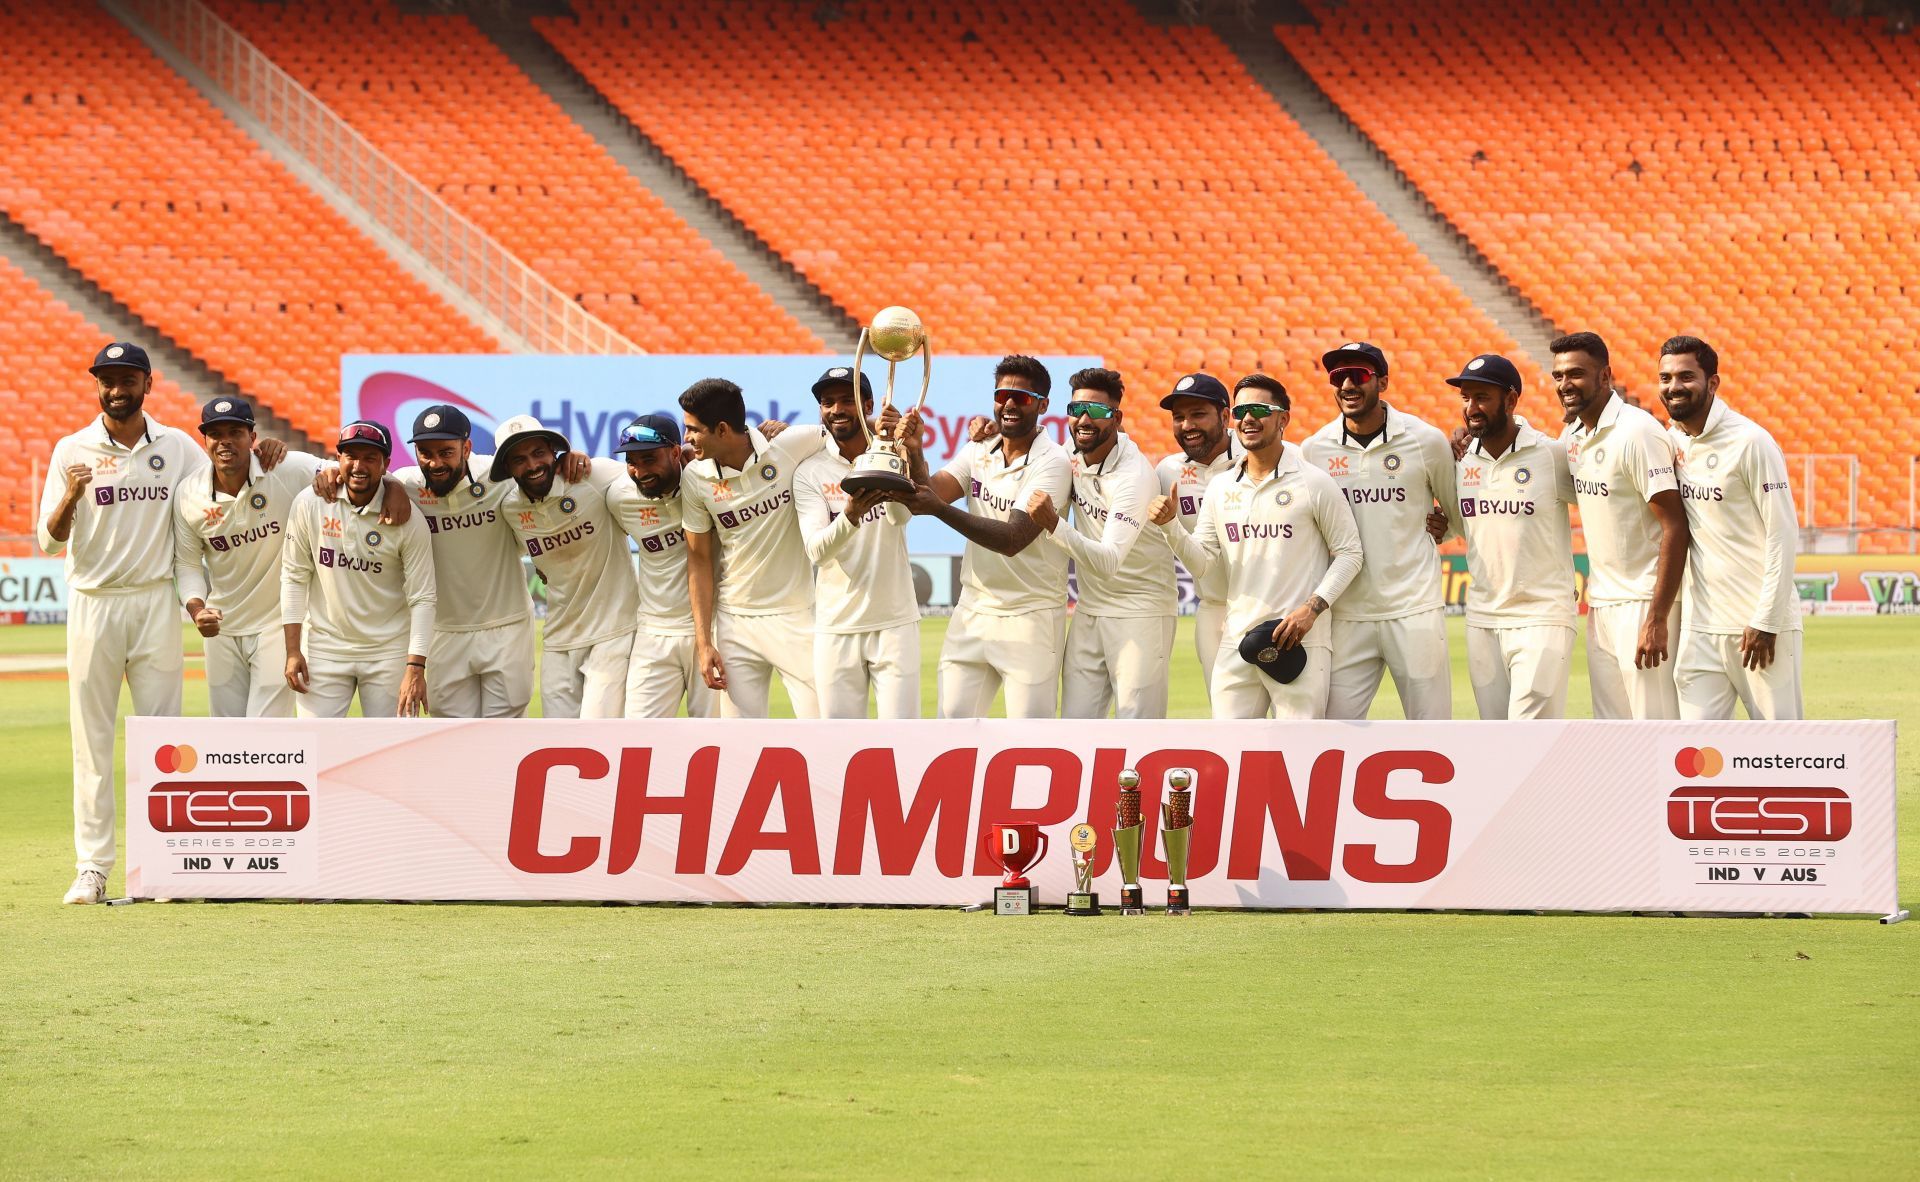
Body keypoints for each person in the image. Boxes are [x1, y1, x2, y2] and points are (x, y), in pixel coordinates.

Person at [40, 343, 252, 904]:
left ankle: (164, 865)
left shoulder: (179, 446)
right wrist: (71, 494)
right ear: (97, 386)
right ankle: (92, 866)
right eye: (106, 380)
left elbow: (228, 472)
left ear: (148, 383)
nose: (116, 389)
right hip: (94, 601)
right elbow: (49, 537)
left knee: (165, 739)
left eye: (126, 378)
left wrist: (272, 450)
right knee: (93, 740)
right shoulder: (72, 449)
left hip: (157, 601)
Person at [1149, 374, 1363, 719]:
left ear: (1283, 419)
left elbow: (1350, 553)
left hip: (1299, 640)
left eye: (1260, 409)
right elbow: (1203, 562)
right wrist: (1170, 527)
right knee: (1231, 752)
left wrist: (1312, 609)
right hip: (1236, 639)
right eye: (1242, 410)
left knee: (1299, 755)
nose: (1248, 418)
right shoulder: (1220, 487)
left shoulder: (1313, 482)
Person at [898, 355, 1073, 718]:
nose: (1008, 403)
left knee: (1030, 741)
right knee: (952, 732)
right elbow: (929, 491)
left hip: (1031, 615)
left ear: (1042, 405)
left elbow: (1013, 539)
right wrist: (915, 451)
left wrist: (938, 509)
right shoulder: (979, 448)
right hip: (973, 610)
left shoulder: (1052, 462)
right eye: (1002, 394)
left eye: (1021, 398)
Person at [1301, 341, 1461, 721]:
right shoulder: (1314, 449)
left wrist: (1442, 528)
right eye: (1338, 377)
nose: (1347, 386)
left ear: (1383, 382)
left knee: (1432, 731)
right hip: (1346, 614)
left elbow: (1457, 514)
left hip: (1413, 609)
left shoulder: (1425, 440)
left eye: (1358, 375)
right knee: (1333, 736)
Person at [1659, 336, 1803, 719]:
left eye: (1686, 376)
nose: (1674, 387)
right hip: (1700, 630)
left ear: (1713, 383)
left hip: (1758, 628)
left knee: (1780, 750)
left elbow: (1783, 533)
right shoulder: (1669, 440)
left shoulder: (1751, 442)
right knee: (1693, 756)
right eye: (1666, 377)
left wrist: (1767, 620)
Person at [1026, 367, 1176, 718]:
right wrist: (987, 436)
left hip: (1141, 611)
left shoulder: (1134, 475)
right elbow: (1035, 448)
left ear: (1117, 418)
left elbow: (1109, 561)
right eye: (1077, 410)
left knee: (1138, 731)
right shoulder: (1073, 452)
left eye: (1096, 411)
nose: (1083, 420)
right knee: (1076, 730)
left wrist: (1053, 524)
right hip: (1090, 610)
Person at [1553, 332, 1689, 719]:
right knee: (1611, 730)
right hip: (1602, 603)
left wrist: (1657, 618)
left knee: (1655, 724)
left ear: (1604, 376)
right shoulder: (1574, 434)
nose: (1565, 384)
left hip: (1644, 602)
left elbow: (1675, 526)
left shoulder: (1637, 432)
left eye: (1576, 373)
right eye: (1558, 375)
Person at [679, 378, 829, 718]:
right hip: (735, 624)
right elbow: (699, 560)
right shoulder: (695, 478)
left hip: (797, 617)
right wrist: (704, 643)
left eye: (693, 430)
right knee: (739, 746)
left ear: (721, 429)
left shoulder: (791, 444)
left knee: (823, 733)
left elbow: (853, 439)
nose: (687, 439)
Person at [173, 397, 327, 718]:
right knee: (228, 738)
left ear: (252, 437)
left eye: (235, 432)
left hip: (277, 626)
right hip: (222, 631)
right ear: (205, 440)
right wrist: (197, 608)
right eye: (215, 434)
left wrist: (394, 488)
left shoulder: (286, 468)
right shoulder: (189, 494)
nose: (225, 441)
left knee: (265, 734)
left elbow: (350, 472)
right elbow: (187, 564)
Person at [1449, 354, 1579, 720]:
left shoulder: (1550, 454)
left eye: (1481, 397)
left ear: (1510, 399)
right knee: (1495, 737)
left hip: (1542, 615)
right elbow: (1463, 526)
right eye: (1466, 398)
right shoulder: (1460, 460)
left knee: (1529, 732)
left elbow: (1601, 505)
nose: (1471, 407)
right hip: (1483, 617)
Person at [388, 405, 538, 718]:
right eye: (425, 453)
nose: (435, 462)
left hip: (506, 626)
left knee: (505, 736)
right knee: (452, 737)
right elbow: (357, 476)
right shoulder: (406, 485)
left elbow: (545, 472)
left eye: (446, 452)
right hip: (445, 633)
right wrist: (389, 487)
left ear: (466, 448)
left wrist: (574, 460)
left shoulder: (499, 475)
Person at [281, 421, 435, 719]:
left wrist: (414, 668)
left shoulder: (409, 518)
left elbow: (423, 597)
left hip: (388, 651)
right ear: (337, 458)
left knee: (392, 751)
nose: (358, 466)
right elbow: (293, 576)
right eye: (350, 456)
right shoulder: (309, 503)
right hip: (325, 648)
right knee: (316, 749)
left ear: (385, 464)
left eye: (370, 458)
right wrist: (292, 651)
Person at [792, 367, 920, 718]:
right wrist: (850, 515)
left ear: (867, 406)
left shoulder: (891, 453)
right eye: (828, 402)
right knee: (840, 745)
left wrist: (894, 454)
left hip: (894, 621)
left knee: (903, 739)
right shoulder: (810, 471)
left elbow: (900, 517)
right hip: (837, 627)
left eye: (847, 401)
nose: (836, 410)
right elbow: (817, 551)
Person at [495, 415, 636, 719]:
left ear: (554, 453)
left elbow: (653, 471)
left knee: (597, 737)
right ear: (507, 469)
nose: (532, 466)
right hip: (559, 640)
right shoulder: (510, 508)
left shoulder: (593, 477)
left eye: (538, 454)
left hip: (613, 632)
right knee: (559, 741)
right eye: (519, 459)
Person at [606, 413, 717, 718]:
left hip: (712, 630)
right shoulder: (620, 498)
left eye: (649, 459)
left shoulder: (707, 481)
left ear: (674, 452)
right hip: (653, 633)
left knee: (714, 739)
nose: (640, 471)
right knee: (639, 737)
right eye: (632, 461)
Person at [1153, 373, 1241, 699]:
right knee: (1226, 720)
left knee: (1294, 723)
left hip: (1274, 607)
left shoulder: (1263, 456)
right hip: (1214, 610)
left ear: (1224, 415)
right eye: (1179, 417)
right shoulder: (1167, 471)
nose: (1187, 424)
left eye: (1198, 414)